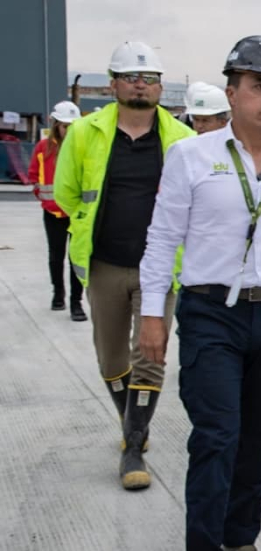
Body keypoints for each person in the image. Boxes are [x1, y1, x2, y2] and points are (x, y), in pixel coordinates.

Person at [138, 35, 261, 549]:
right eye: (259, 86)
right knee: (216, 437)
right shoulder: (190, 156)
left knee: (258, 441)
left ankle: (240, 537)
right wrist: (152, 316)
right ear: (232, 92)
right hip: (211, 314)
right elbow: (162, 238)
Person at [53, 41, 195, 490]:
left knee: (149, 357)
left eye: (150, 78)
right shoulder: (85, 133)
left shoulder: (183, 140)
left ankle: (134, 445)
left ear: (160, 87)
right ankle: (130, 417)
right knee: (112, 357)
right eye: (131, 77)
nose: (140, 84)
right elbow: (66, 193)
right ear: (113, 84)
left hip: (161, 269)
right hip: (105, 264)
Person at [29, 100, 86, 321]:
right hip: (53, 213)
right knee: (56, 256)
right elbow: (34, 176)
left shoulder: (82, 148)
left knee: (76, 259)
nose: (68, 130)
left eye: (72, 126)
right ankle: (58, 294)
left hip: (77, 214)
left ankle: (76, 303)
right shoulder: (43, 149)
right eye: (65, 126)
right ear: (56, 125)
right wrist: (44, 199)